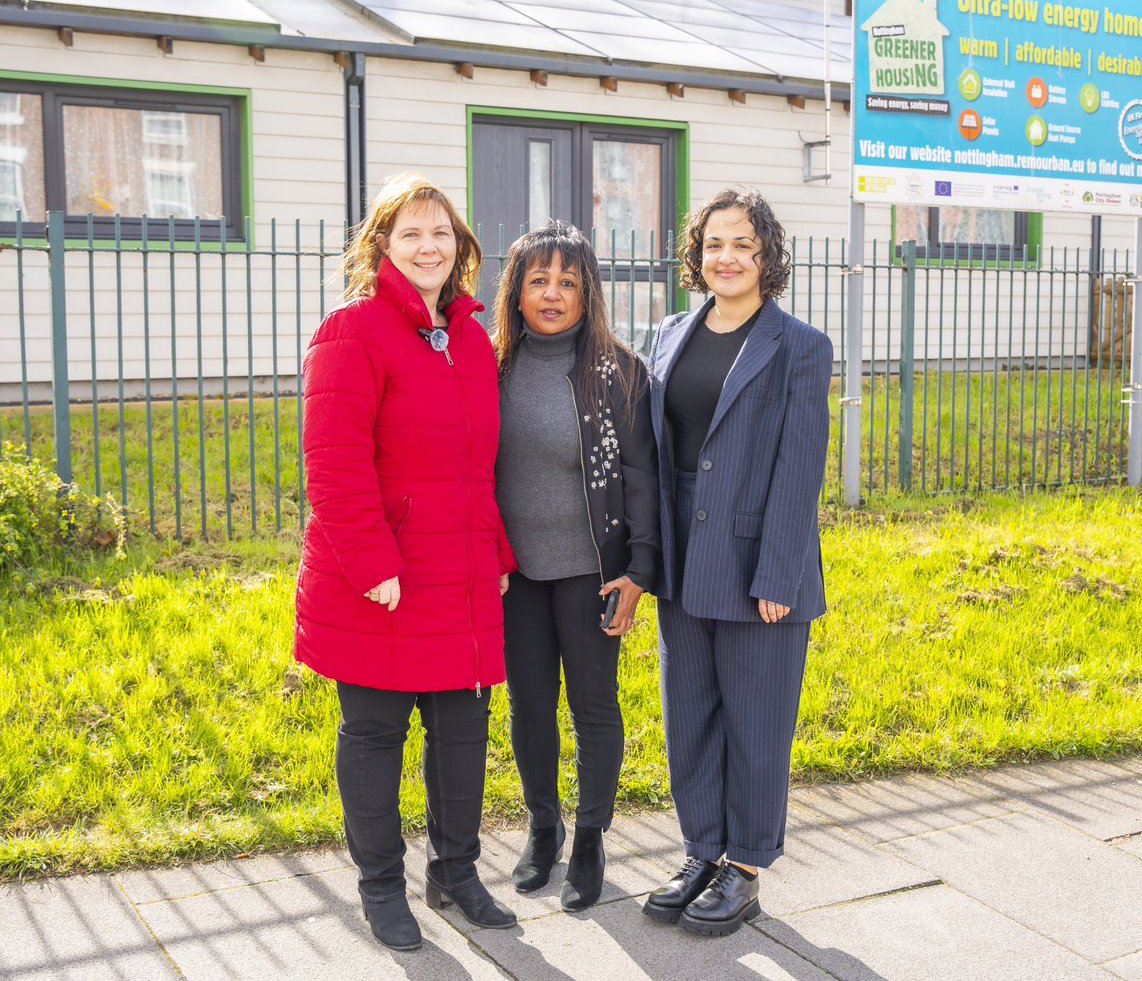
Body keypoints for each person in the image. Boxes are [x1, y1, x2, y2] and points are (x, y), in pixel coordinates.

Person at [294, 174, 518, 953]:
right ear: (382, 245)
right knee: (376, 733)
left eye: (441, 234)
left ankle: (455, 873)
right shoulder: (351, 330)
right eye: (412, 233)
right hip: (381, 582)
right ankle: (382, 887)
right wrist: (370, 562)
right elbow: (333, 460)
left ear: (459, 249)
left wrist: (496, 549)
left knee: (462, 731)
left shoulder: (468, 339)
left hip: (459, 575)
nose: (429, 246)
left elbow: (477, 463)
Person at [642, 188, 833, 937]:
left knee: (756, 721)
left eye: (743, 246)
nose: (727, 257)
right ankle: (701, 851)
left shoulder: (799, 347)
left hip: (759, 560)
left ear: (767, 257)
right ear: (697, 253)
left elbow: (799, 469)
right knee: (689, 713)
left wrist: (779, 575)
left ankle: (745, 867)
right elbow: (657, 457)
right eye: (715, 243)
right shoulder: (667, 335)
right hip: (684, 559)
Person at [492, 221, 659, 912]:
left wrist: (640, 569)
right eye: (539, 280)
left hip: (593, 570)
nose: (553, 293)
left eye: (568, 280)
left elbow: (644, 477)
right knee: (530, 705)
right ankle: (543, 825)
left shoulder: (619, 370)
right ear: (516, 291)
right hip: (515, 574)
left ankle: (589, 835)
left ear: (588, 291)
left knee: (593, 705)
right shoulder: (489, 364)